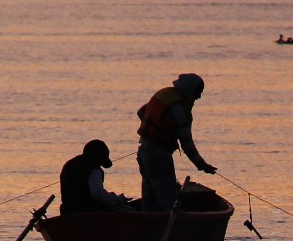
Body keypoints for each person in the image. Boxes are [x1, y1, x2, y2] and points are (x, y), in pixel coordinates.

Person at [135, 73, 217, 211]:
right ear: (190, 90)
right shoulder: (180, 108)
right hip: (159, 156)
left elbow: (141, 112)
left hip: (143, 151)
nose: (199, 97)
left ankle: (150, 227)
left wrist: (156, 129)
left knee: (149, 198)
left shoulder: (164, 95)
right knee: (170, 199)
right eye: (198, 92)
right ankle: (177, 229)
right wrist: (203, 165)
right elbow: (187, 144)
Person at [59, 139, 134, 215]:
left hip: (68, 212)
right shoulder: (94, 170)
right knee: (130, 211)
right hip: (87, 214)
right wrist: (119, 200)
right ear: (99, 159)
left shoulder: (69, 164)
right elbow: (97, 193)